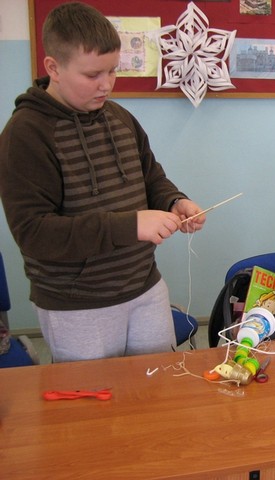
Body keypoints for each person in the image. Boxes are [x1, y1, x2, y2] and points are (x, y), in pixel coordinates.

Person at [0, 2, 206, 362]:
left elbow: (151, 176)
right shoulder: (26, 135)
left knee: (157, 385)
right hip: (76, 306)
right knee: (93, 396)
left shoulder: (119, 117)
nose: (106, 84)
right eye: (92, 74)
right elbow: (34, 233)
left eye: (112, 70)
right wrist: (130, 225)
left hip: (144, 288)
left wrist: (173, 201)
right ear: (54, 68)